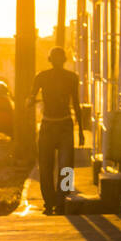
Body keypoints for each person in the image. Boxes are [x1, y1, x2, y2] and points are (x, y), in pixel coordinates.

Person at [30, 47, 85, 216]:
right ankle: (49, 203)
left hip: (64, 125)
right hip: (48, 125)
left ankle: (62, 201)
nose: (58, 61)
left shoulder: (71, 78)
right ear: (50, 60)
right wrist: (30, 100)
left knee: (66, 167)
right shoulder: (41, 77)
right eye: (55, 58)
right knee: (46, 168)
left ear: (64, 60)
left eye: (60, 58)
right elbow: (31, 96)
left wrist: (81, 130)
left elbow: (76, 104)